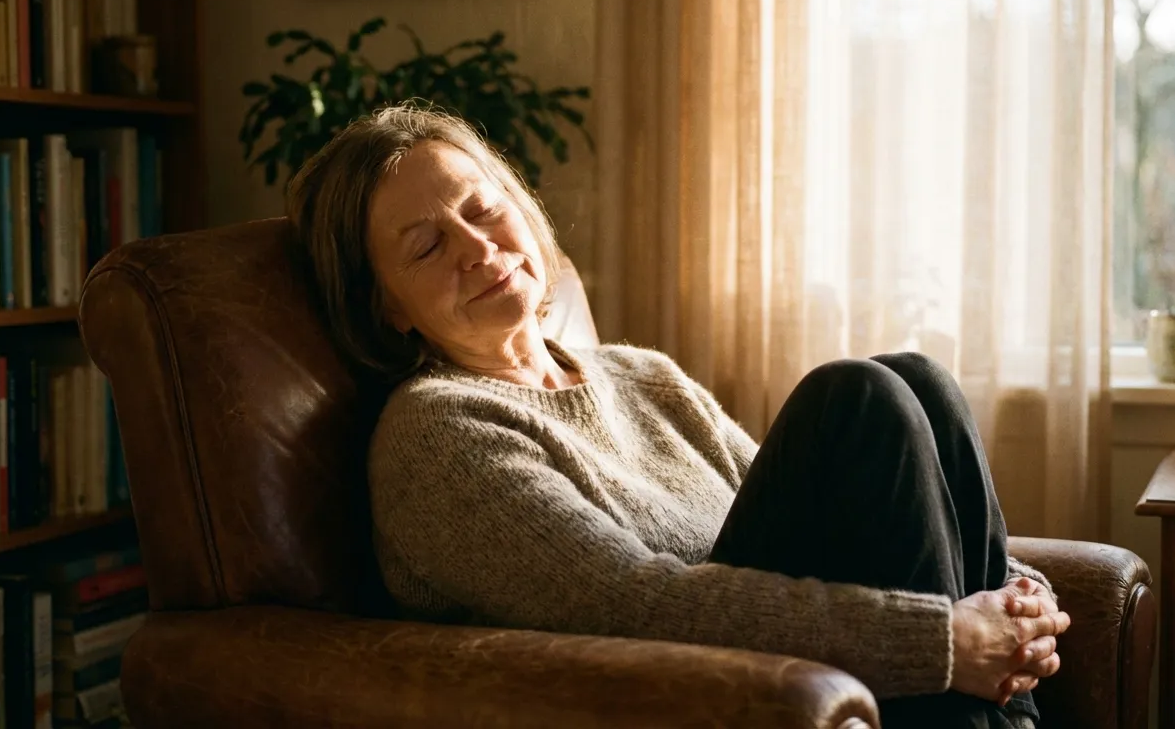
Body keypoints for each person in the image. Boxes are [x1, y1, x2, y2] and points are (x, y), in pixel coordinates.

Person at [288, 105, 1069, 728]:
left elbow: (856, 516)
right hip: (695, 698)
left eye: (484, 210)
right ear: (382, 307)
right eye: (426, 247)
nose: (476, 248)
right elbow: (633, 604)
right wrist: (944, 638)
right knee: (858, 399)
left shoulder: (641, 376)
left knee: (913, 381)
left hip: (810, 678)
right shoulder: (438, 435)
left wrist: (1014, 602)